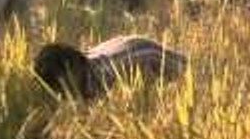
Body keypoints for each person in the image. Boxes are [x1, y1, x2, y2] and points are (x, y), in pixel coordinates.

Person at [33, 36, 188, 101]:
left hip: (154, 57)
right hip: (129, 47)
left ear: (72, 68)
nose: (61, 94)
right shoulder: (82, 69)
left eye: (62, 87)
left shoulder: (110, 75)